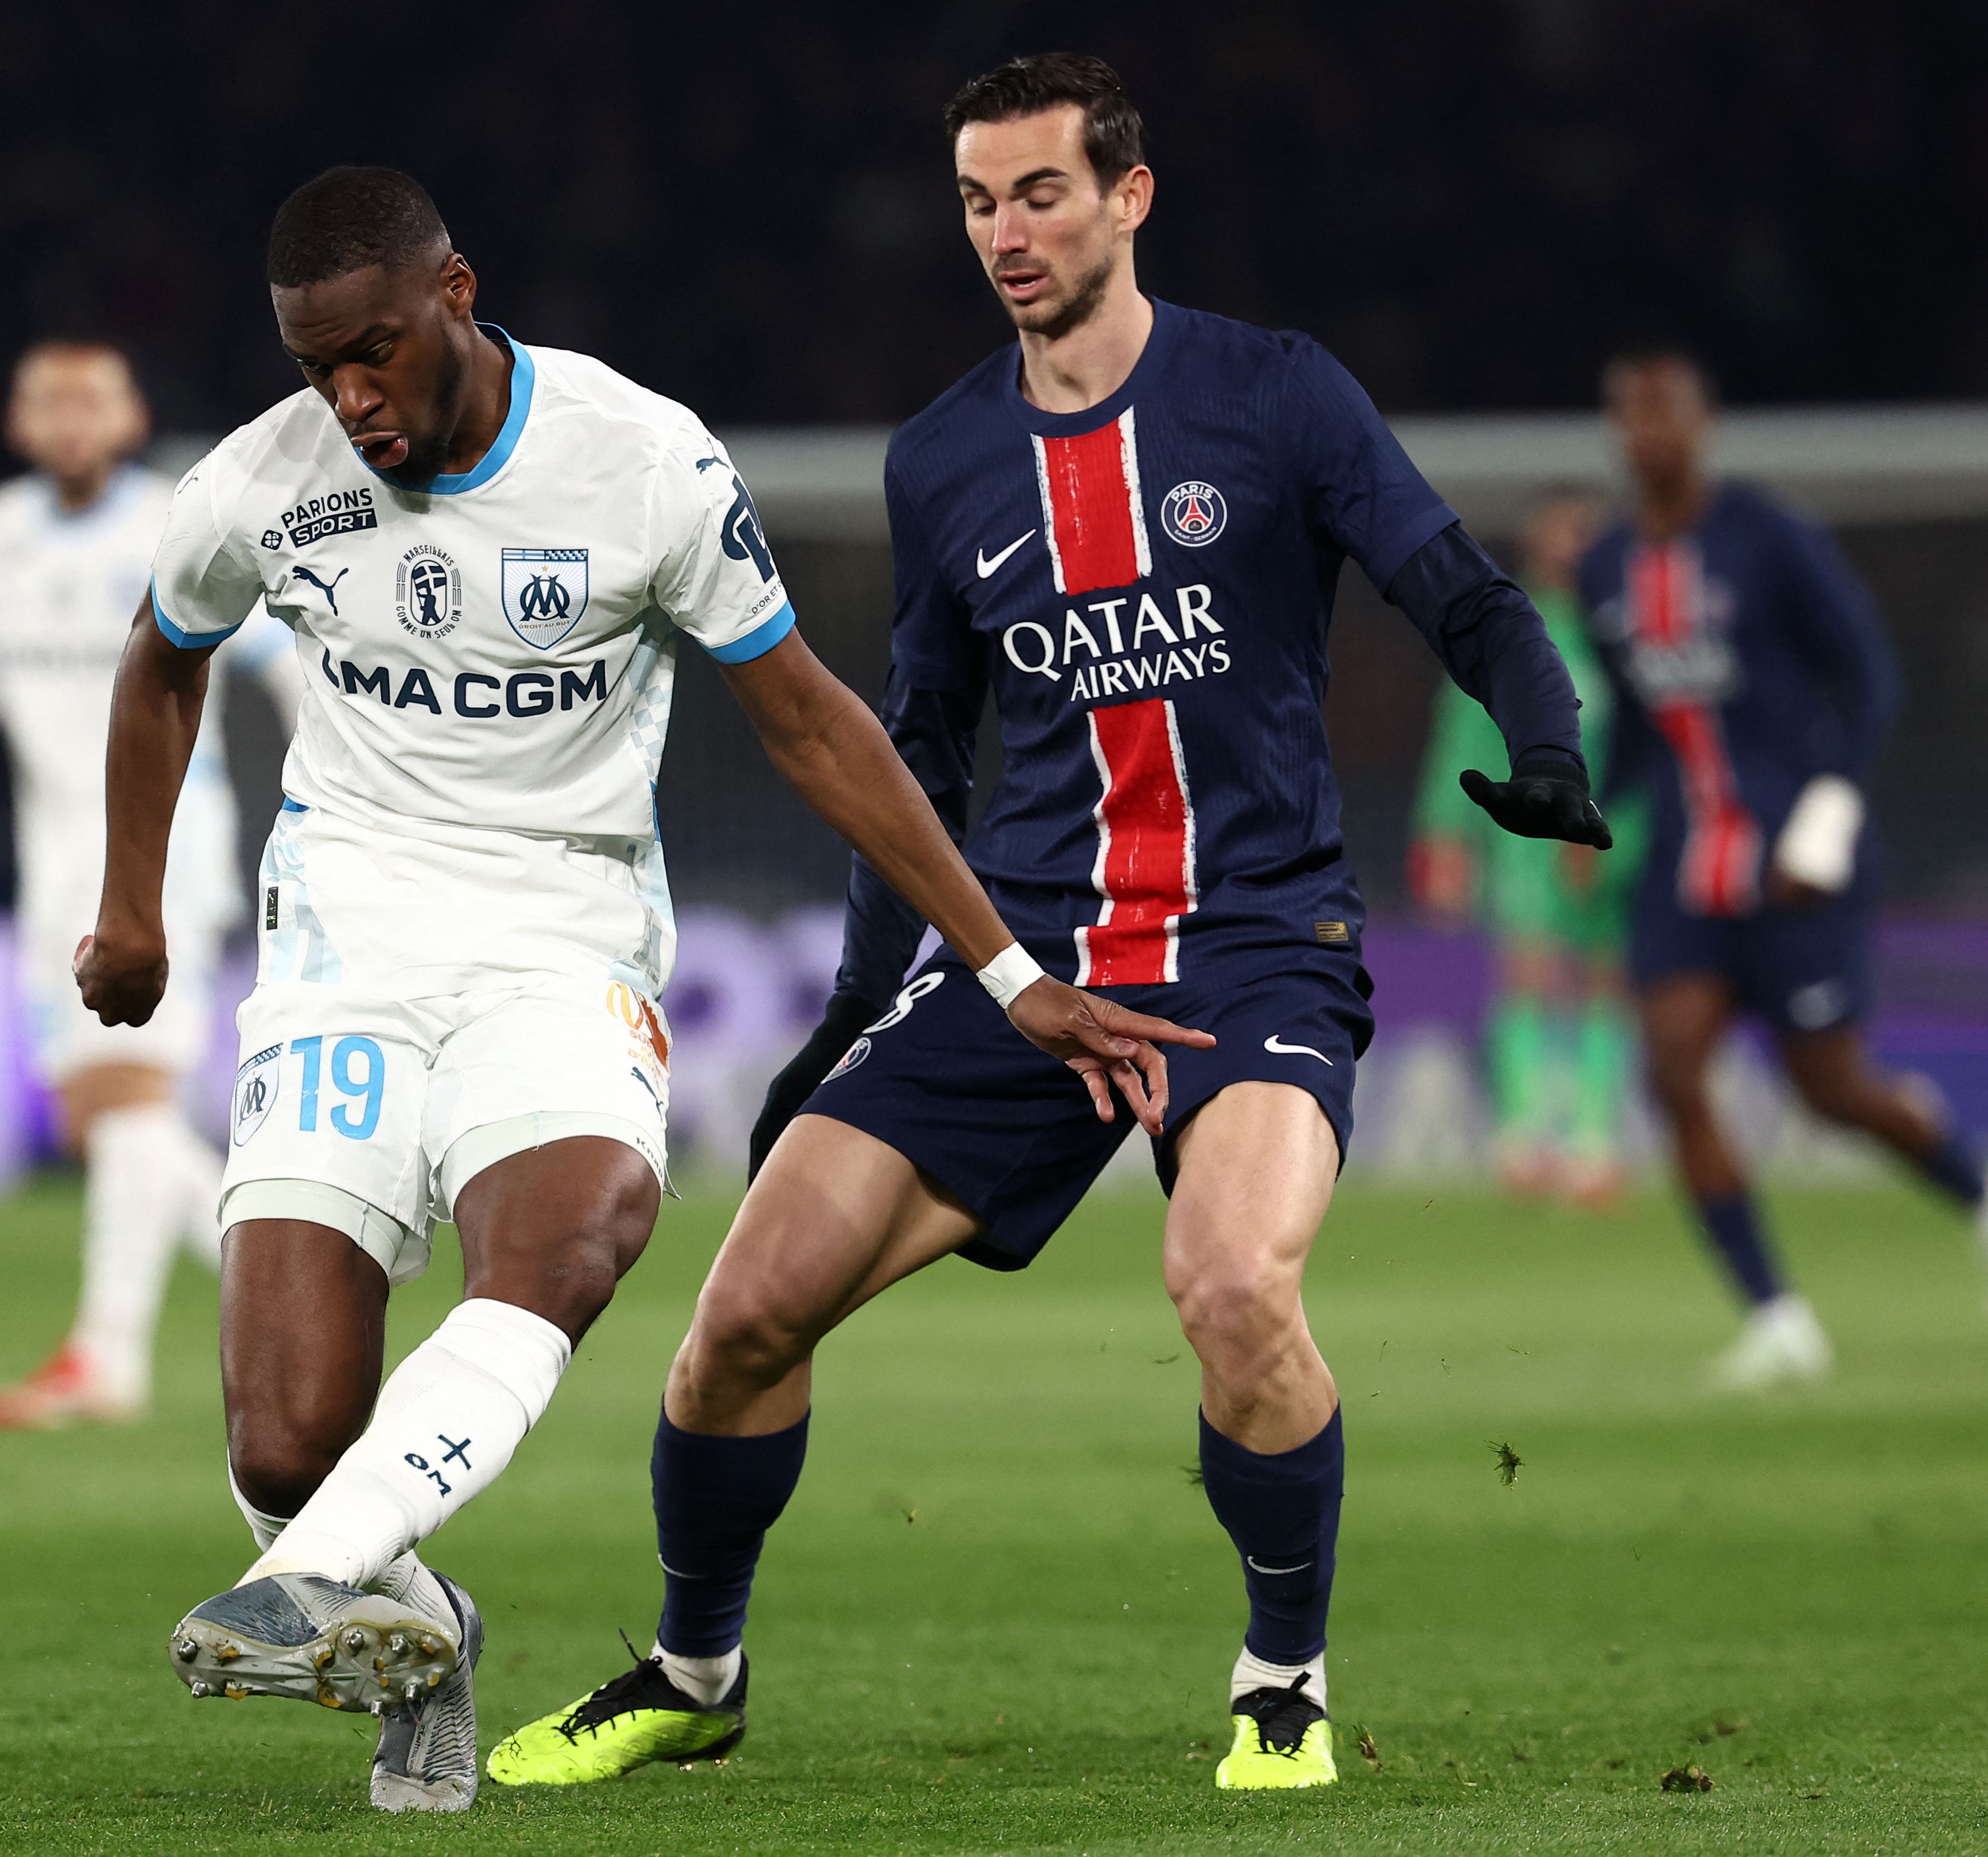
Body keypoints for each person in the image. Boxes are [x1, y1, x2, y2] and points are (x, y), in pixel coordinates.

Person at [486, 52, 1605, 1797]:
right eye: (977, 203)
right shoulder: (943, 459)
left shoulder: (1275, 395)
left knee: (1232, 1285)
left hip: (1254, 943)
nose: (1005, 234)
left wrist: (1546, 741)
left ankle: (1281, 1680)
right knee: (744, 1315)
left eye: (1040, 195)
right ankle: (694, 1670)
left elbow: (1452, 587)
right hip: (1028, 966)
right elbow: (908, 754)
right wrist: (860, 1003)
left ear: (1129, 195)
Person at [72, 164, 1206, 1814]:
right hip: (343, 955)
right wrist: (129, 908)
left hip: (562, 937)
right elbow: (162, 660)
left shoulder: (641, 460)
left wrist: (1008, 966)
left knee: (575, 1232)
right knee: (278, 1441)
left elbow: (810, 720)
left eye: (376, 351)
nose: (352, 398)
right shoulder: (262, 480)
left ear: (455, 289)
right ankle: (408, 1613)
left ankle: (306, 1589)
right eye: (320, 367)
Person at [0, 339, 298, 1430]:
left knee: (130, 1101)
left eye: (92, 400)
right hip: (53, 859)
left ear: (128, 419)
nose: (70, 420)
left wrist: (339, 778)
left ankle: (110, 1356)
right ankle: (306, 1272)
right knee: (99, 1121)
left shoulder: (177, 521)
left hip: (167, 840)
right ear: (20, 424)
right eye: (48, 402)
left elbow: (280, 661)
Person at [1581, 350, 1986, 1389]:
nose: (1647, 432)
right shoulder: (1605, 565)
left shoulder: (1767, 536)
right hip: (1685, 867)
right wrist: (1588, 811)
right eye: (1630, 414)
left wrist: (1829, 810)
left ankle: (1974, 1196)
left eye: (1665, 411)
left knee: (1832, 1091)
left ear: (1702, 425)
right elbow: (1634, 721)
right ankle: (1775, 1317)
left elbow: (1867, 675)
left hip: (1796, 861)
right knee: (1669, 1065)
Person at [1410, 493, 1636, 1203]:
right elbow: (1466, 732)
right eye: (1561, 533)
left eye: (1585, 532)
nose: (1572, 547)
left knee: (1605, 977)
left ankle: (1593, 1143)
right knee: (1528, 970)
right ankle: (1523, 1138)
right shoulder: (1509, 626)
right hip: (1526, 834)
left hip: (1617, 833)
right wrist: (1444, 834)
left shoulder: (1626, 629)